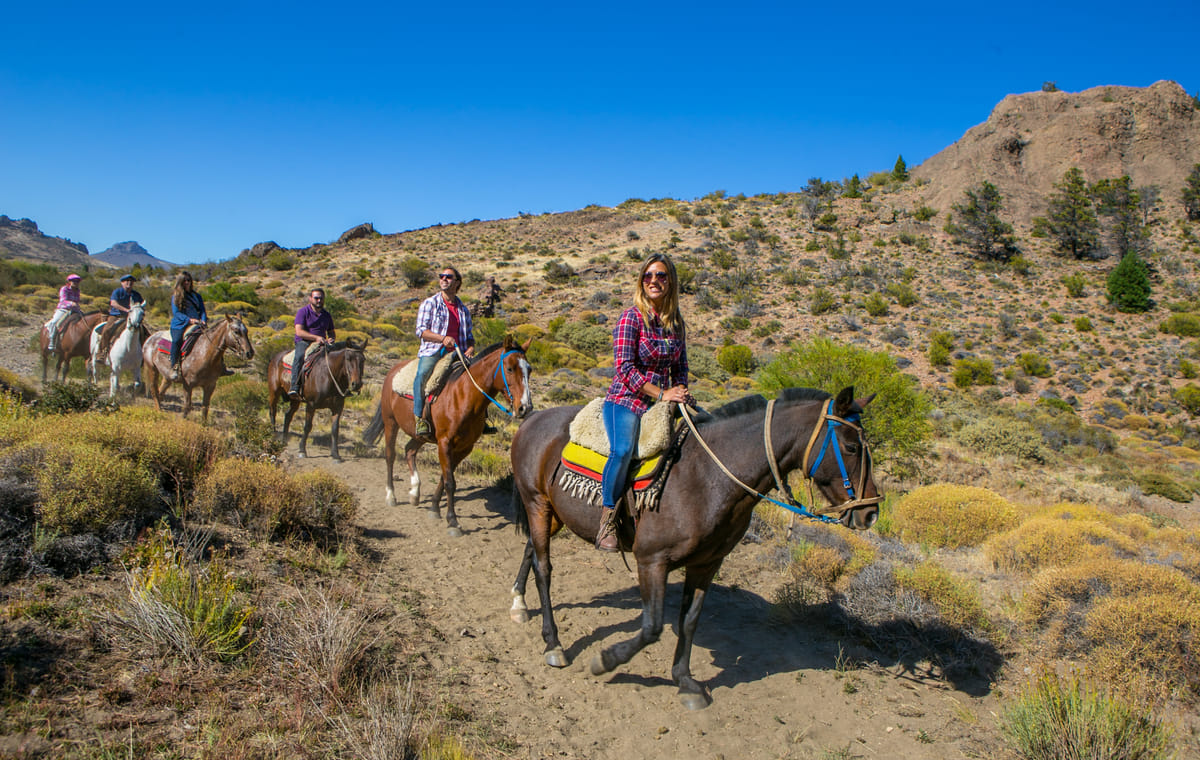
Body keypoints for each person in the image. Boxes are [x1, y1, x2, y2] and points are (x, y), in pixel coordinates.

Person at [597, 253, 692, 551]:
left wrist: (680, 390)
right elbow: (624, 369)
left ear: (671, 282)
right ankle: (608, 517)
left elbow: (681, 368)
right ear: (641, 281)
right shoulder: (631, 317)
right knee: (623, 450)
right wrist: (662, 394)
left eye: (661, 276)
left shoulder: (676, 323)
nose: (654, 280)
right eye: (648, 275)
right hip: (626, 400)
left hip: (661, 404)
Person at [413, 266, 476, 437]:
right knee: (422, 374)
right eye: (442, 276)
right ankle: (419, 418)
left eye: (449, 277)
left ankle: (480, 419)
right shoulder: (430, 303)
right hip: (434, 350)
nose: (444, 279)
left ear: (457, 282)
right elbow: (421, 331)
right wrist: (442, 339)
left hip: (459, 353)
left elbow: (469, 336)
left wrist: (470, 347)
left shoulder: (463, 310)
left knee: (480, 376)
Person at [289, 287, 336, 398]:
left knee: (339, 357)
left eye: (321, 298)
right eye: (316, 298)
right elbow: (299, 332)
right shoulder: (303, 312)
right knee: (299, 356)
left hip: (322, 342)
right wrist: (316, 338)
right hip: (304, 342)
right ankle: (294, 386)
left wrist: (331, 339)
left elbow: (331, 332)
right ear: (310, 299)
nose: (319, 301)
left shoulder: (326, 315)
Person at [95, 274, 145, 363]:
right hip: (116, 316)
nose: (129, 283)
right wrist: (126, 310)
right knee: (107, 329)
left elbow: (141, 305)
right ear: (122, 282)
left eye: (131, 281)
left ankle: (143, 354)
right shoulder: (117, 292)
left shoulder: (136, 294)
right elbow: (113, 303)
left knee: (144, 332)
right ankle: (101, 353)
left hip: (131, 318)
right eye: (127, 281)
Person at [168, 271, 207, 381]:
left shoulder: (196, 296)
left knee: (213, 339)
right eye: (184, 280)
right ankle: (174, 366)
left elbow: (202, 310)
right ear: (180, 282)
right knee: (176, 341)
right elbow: (176, 313)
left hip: (197, 323)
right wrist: (189, 320)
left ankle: (220, 366)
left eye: (189, 280)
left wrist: (203, 320)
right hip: (180, 324)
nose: (187, 282)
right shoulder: (176, 296)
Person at [45, 273, 84, 351]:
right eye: (74, 281)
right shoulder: (64, 289)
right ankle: (52, 341)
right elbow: (63, 300)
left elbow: (77, 301)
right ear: (69, 281)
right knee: (55, 322)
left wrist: (76, 306)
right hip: (63, 309)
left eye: (77, 281)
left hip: (74, 310)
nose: (76, 283)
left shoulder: (78, 291)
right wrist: (71, 303)